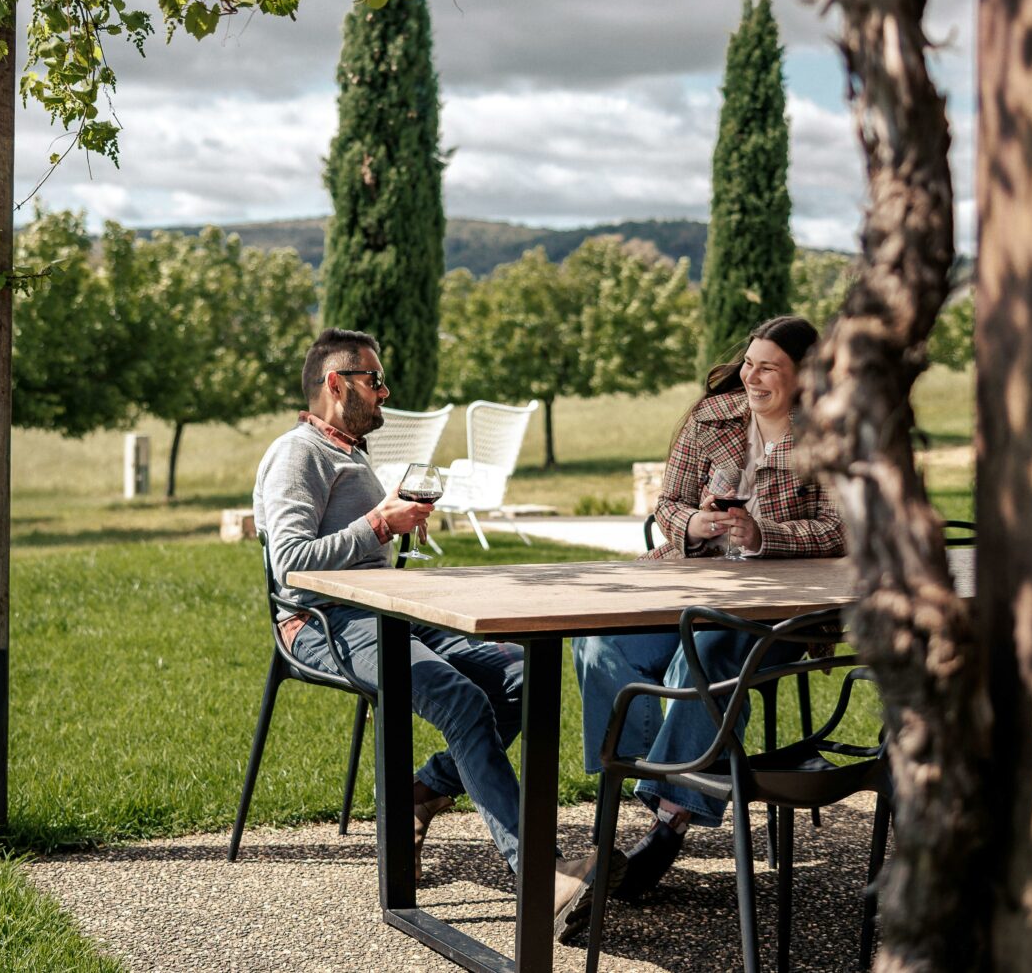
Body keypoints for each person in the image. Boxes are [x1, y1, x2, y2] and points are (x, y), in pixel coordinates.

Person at [255, 328, 603, 906]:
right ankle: (539, 872)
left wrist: (392, 525)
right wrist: (378, 525)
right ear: (336, 384)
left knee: (519, 675)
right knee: (462, 700)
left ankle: (421, 792)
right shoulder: (298, 454)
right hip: (324, 625)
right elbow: (289, 564)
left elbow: (357, 546)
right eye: (375, 380)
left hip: (386, 610)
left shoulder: (347, 451)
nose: (386, 392)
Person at [558, 315, 843, 940]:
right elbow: (667, 506)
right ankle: (637, 779)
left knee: (703, 654)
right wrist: (695, 525)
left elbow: (841, 529)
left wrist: (763, 535)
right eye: (750, 362)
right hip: (683, 581)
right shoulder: (710, 417)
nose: (752, 375)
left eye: (769, 366)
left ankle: (667, 824)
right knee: (599, 640)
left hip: (775, 611)